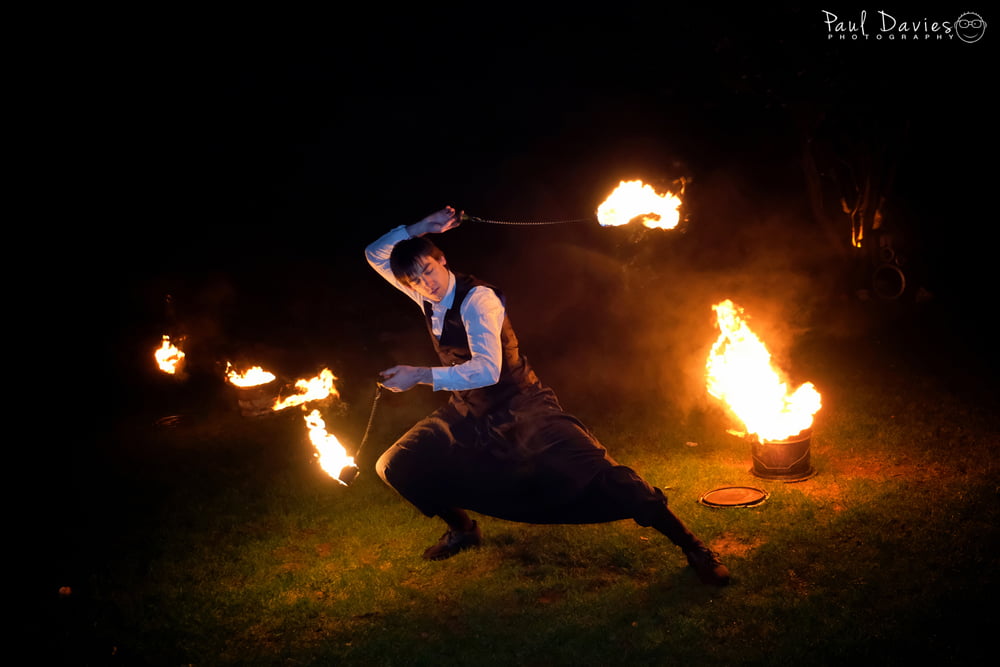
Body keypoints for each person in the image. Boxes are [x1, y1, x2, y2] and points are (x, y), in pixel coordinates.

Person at [365, 206, 730, 586]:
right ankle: (463, 529)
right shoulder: (424, 295)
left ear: (442, 260)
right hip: (470, 410)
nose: (426, 284)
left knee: (602, 473)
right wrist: (423, 226)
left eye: (429, 270)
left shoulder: (478, 300)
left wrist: (419, 376)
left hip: (523, 405)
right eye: (416, 280)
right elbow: (375, 254)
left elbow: (488, 371)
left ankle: (692, 546)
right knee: (395, 464)